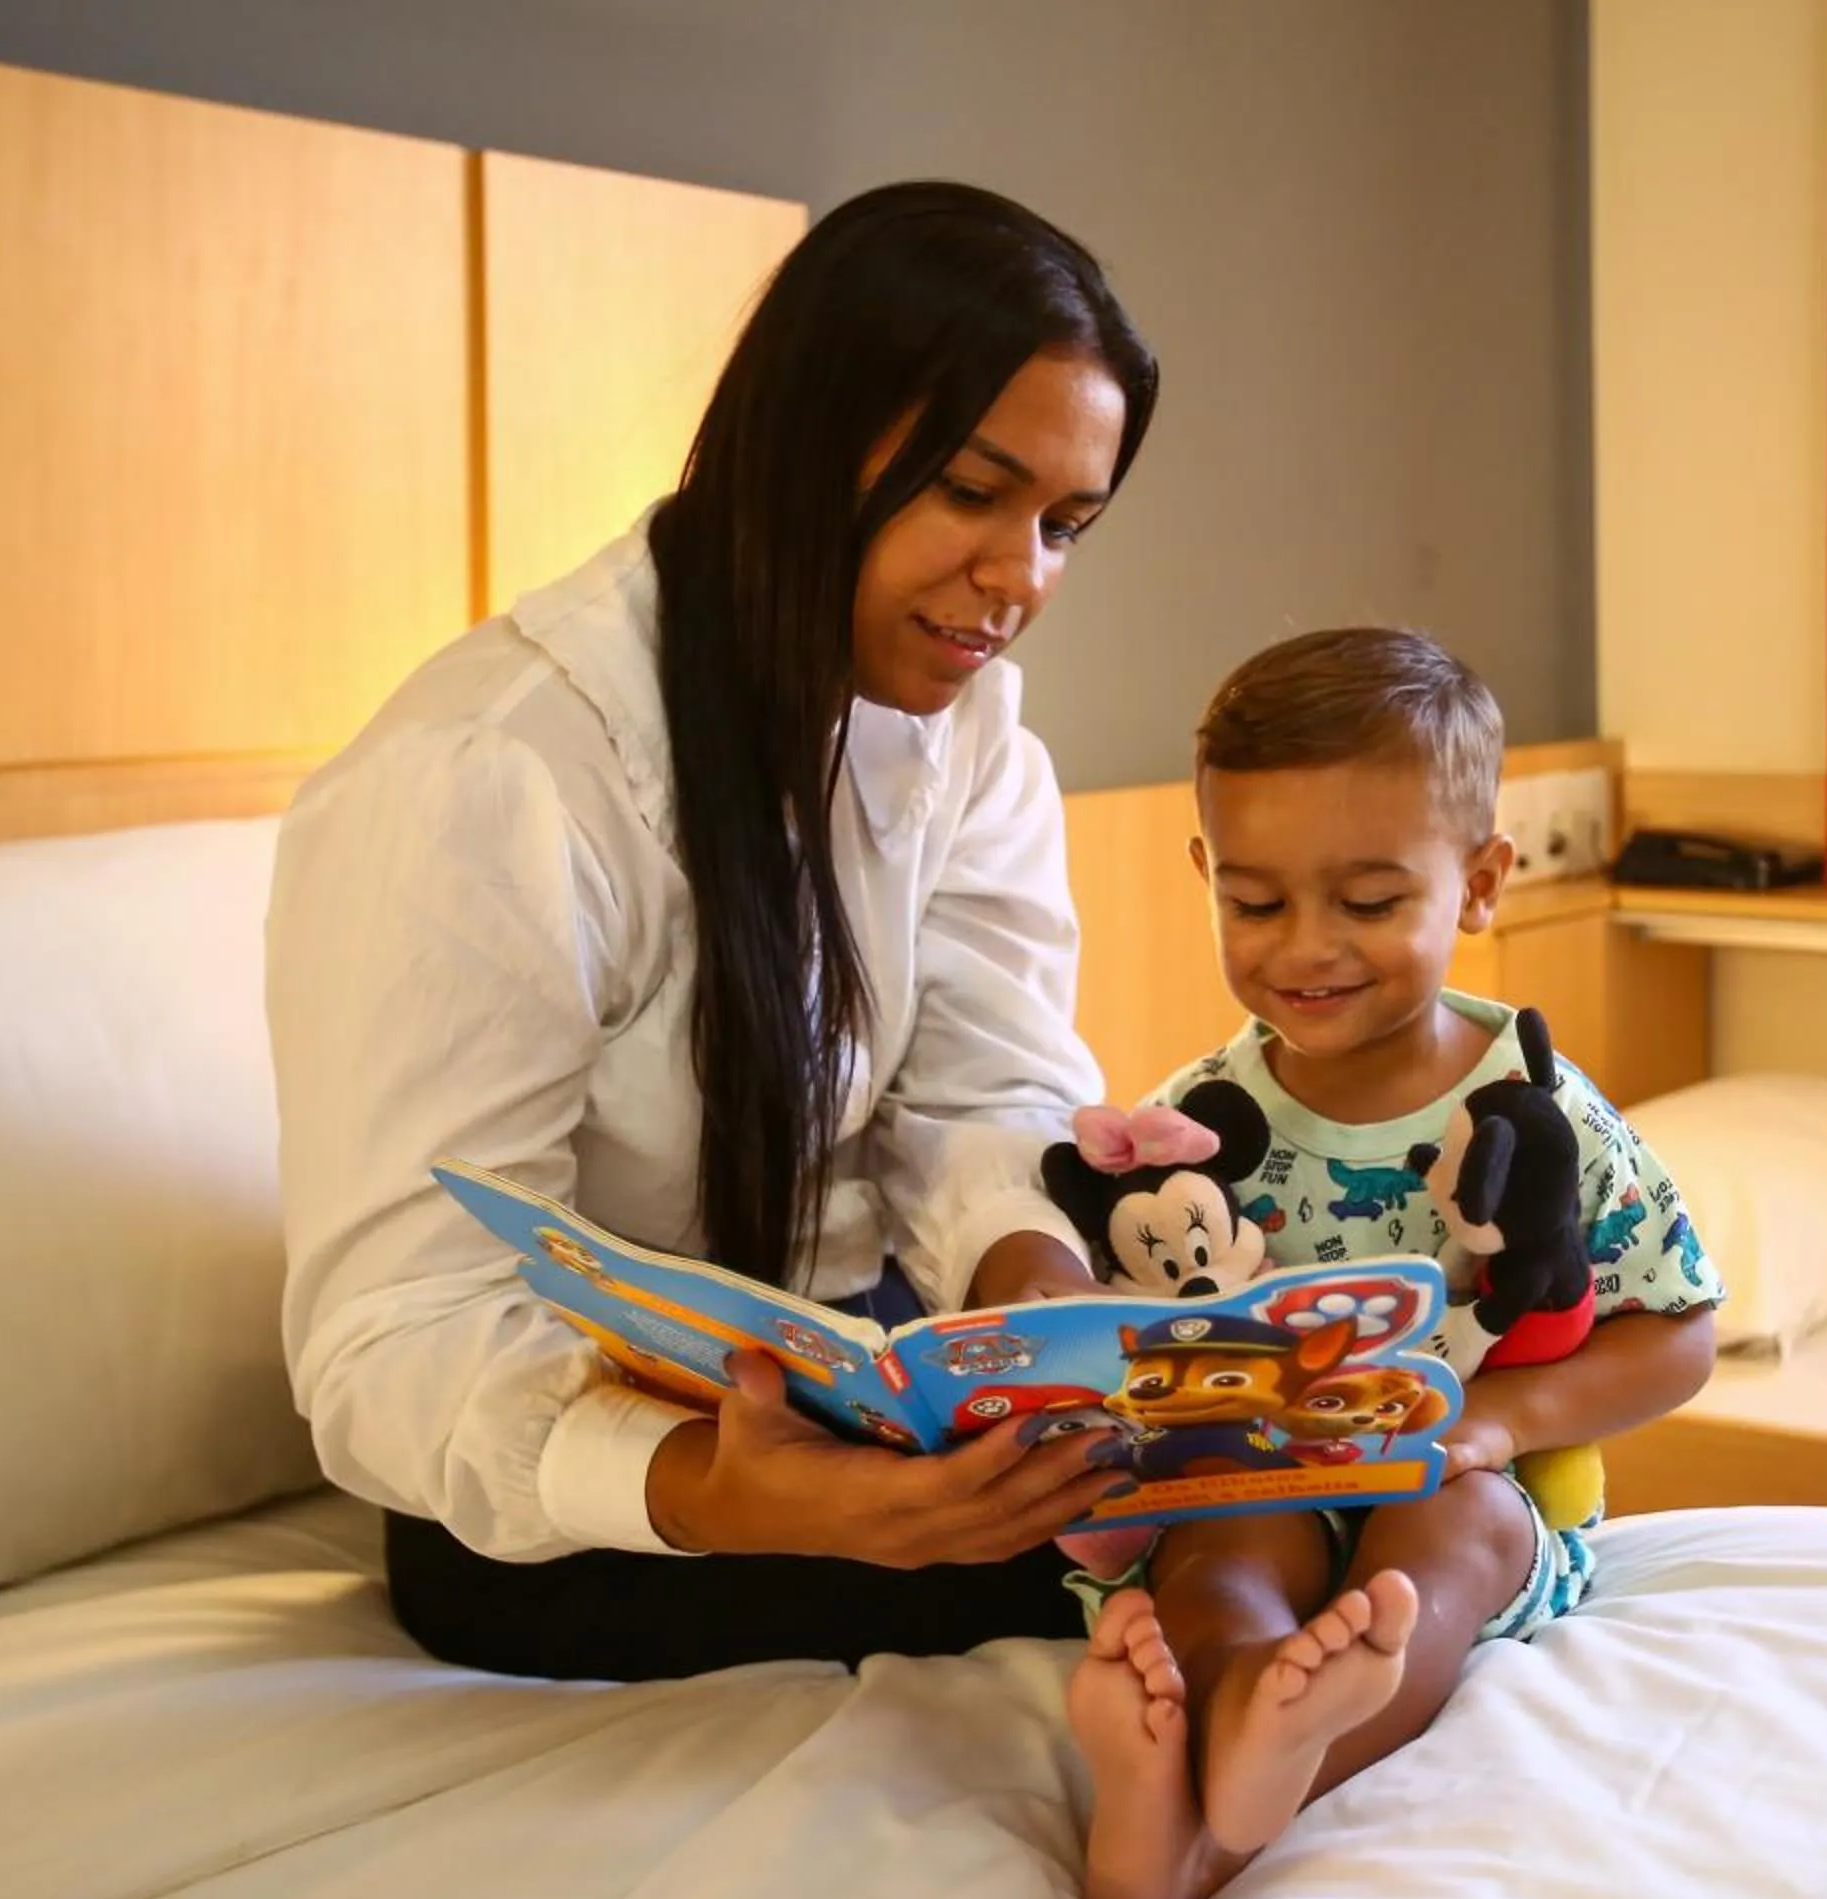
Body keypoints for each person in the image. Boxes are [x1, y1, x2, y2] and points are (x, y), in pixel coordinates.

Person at [265, 181, 1159, 1683]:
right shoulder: (494, 781)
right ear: (812, 442)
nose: (1023, 582)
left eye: (1065, 524)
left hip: (855, 1395)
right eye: (969, 492)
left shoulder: (970, 732)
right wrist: (723, 1491)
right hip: (578, 1504)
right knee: (1150, 1598)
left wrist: (1040, 1342)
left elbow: (983, 1094)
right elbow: (398, 1332)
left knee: (1256, 1504)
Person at [1065, 627, 1722, 1899]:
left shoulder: (1534, 1112)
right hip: (1270, 1481)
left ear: (1479, 885)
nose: (1306, 949)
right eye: (1255, 905)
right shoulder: (1198, 1123)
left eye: (1368, 903)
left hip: (1461, 1480)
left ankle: (1211, 1816)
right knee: (1220, 1561)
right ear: (1204, 876)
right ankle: (1245, 1700)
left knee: (1446, 1542)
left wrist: (1502, 1423)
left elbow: (1681, 1335)